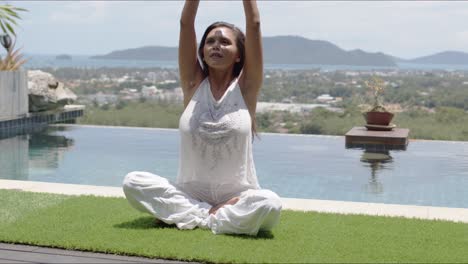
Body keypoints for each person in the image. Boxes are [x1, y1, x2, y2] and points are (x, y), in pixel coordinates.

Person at [123, 0, 282, 236]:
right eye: (210, 42)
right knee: (133, 182)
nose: (216, 46)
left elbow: (254, 24)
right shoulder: (192, 84)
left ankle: (190, 216)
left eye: (225, 42)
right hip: (189, 194)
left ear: (240, 55)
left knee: (269, 203)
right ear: (203, 52)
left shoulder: (246, 89)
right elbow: (186, 24)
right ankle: (210, 216)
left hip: (237, 198)